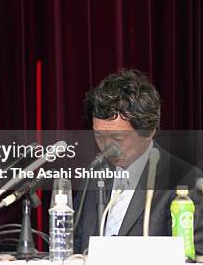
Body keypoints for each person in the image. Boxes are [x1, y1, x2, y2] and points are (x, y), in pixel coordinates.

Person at [74, 69, 202, 253]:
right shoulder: (93, 175)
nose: (107, 147)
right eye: (99, 135)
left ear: (148, 131)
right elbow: (75, 246)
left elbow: (192, 258)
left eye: (117, 138)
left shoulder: (185, 180)